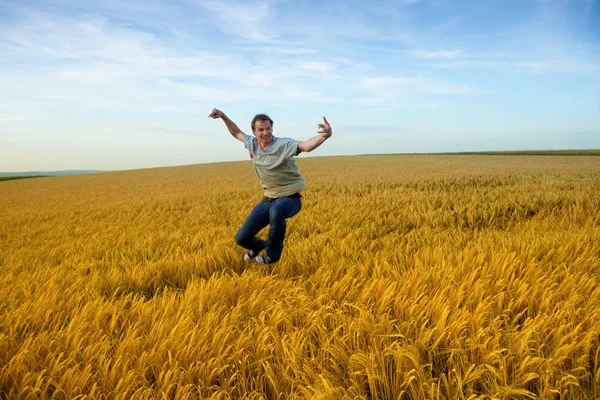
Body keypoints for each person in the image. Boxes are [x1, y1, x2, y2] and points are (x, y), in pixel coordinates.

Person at [208, 108, 332, 264]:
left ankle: (272, 255)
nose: (265, 133)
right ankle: (259, 246)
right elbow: (236, 133)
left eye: (268, 129)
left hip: (290, 198)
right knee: (242, 238)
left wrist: (324, 136)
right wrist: (223, 116)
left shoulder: (282, 144)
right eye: (260, 129)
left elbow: (305, 146)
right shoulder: (252, 144)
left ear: (272, 129)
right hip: (268, 198)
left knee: (277, 210)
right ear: (254, 131)